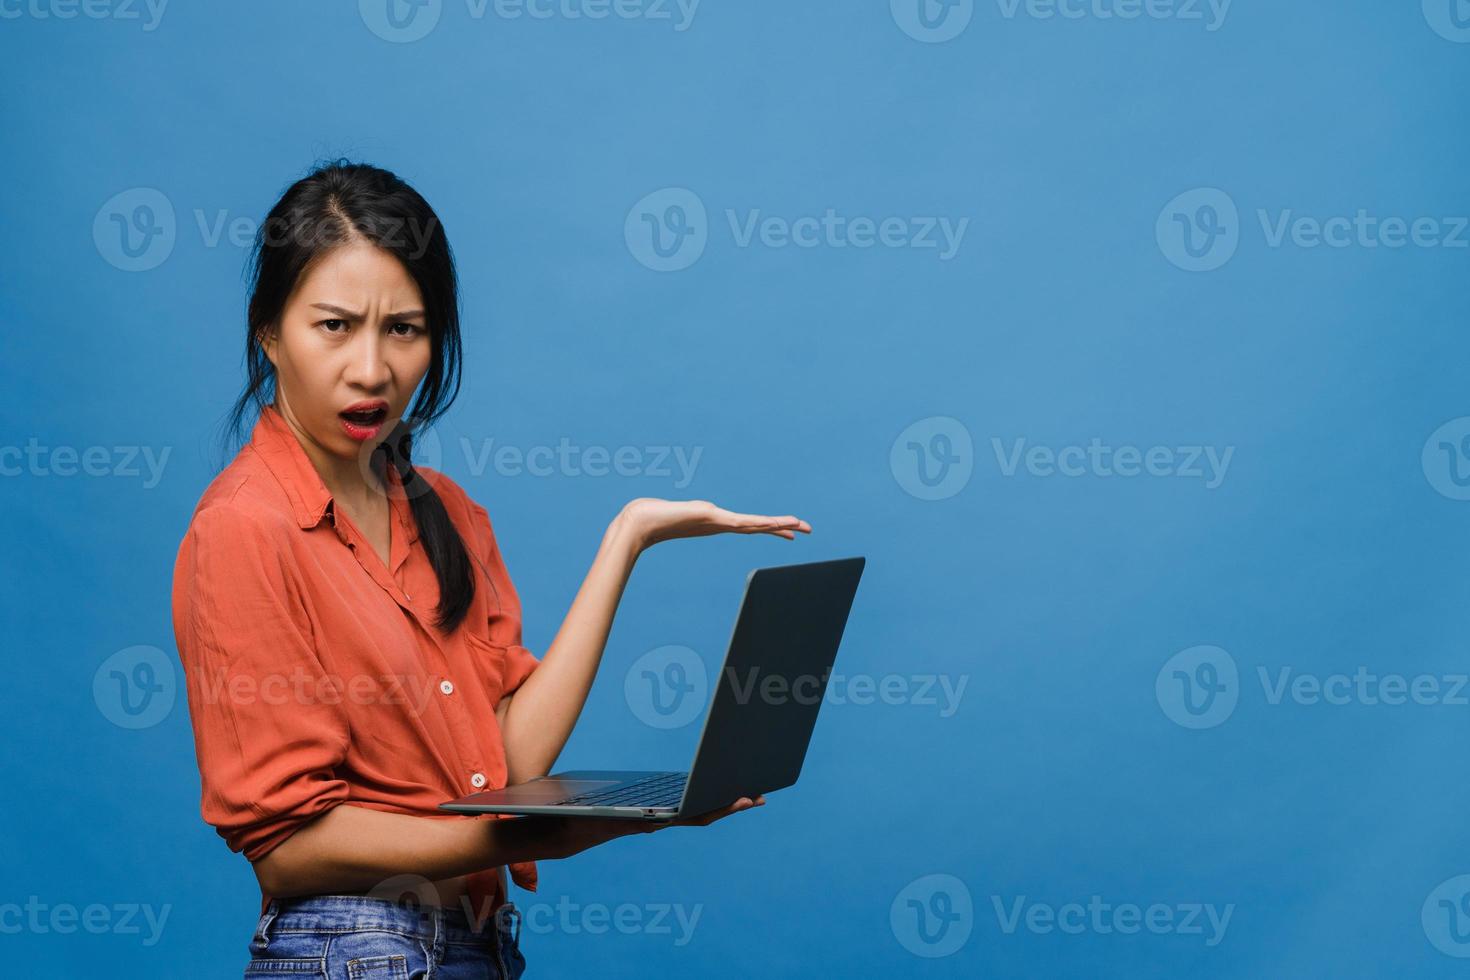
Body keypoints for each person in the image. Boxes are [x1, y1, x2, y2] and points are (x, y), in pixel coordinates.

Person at [170, 159, 811, 978]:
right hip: (350, 956)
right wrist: (534, 833)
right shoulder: (243, 530)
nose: (372, 369)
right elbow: (286, 848)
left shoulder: (449, 514)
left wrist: (627, 540)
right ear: (269, 329)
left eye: (404, 328)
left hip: (478, 949)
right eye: (334, 325)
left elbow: (508, 765)